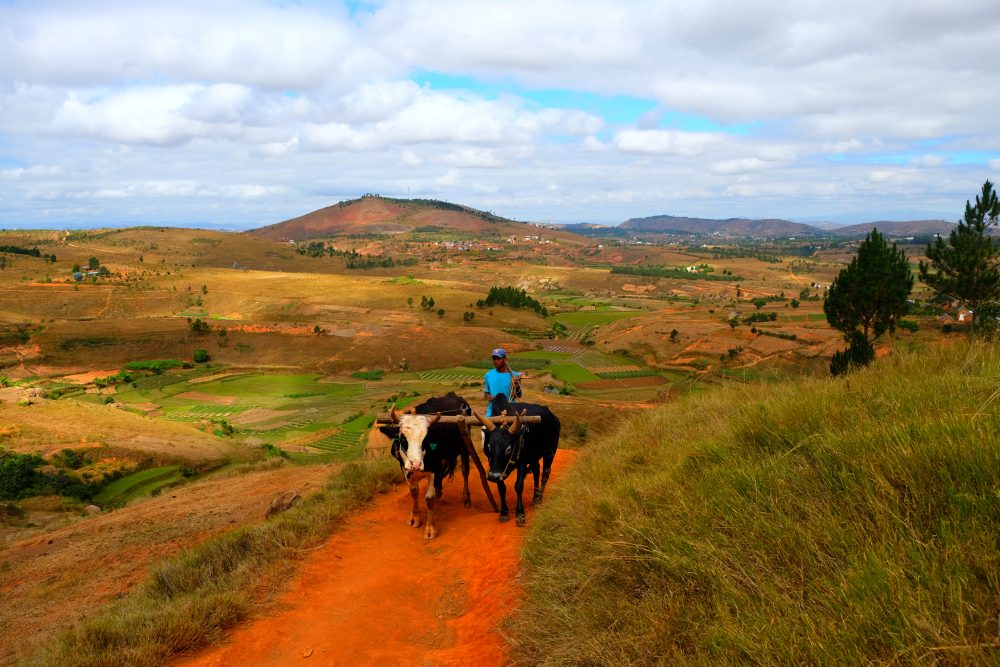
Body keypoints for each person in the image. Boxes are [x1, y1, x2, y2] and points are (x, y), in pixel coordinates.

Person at [483, 347, 522, 417]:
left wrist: (517, 386)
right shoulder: (488, 375)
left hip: (509, 412)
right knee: (485, 428)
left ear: (505, 359)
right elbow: (486, 392)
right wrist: (489, 396)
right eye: (494, 358)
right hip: (492, 411)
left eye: (499, 358)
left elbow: (518, 395)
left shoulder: (514, 376)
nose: (496, 361)